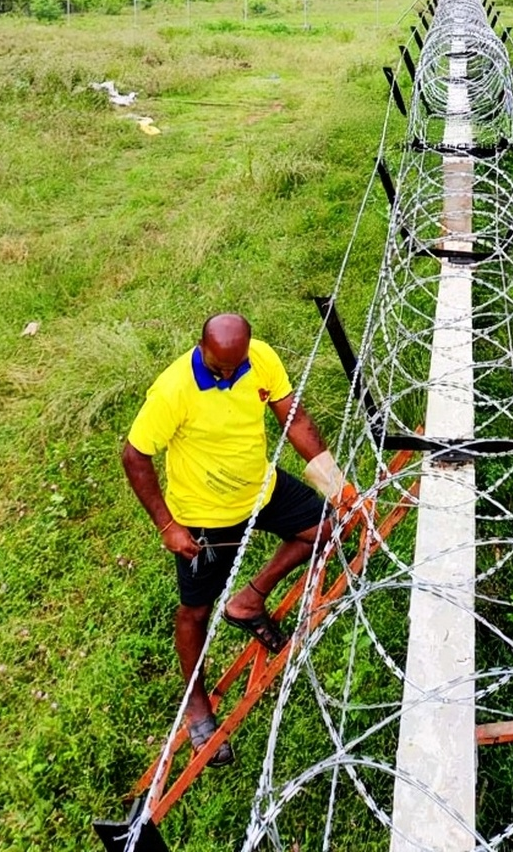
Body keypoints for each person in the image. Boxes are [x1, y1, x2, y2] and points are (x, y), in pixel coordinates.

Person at [122, 312, 355, 767]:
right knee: (194, 612)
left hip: (261, 490)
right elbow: (135, 456)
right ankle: (196, 703)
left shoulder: (262, 359)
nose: (227, 375)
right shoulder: (172, 390)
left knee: (327, 527)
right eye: (217, 367)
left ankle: (249, 601)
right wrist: (169, 526)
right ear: (200, 346)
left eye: (235, 365)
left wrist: (338, 485)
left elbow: (297, 420)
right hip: (205, 517)